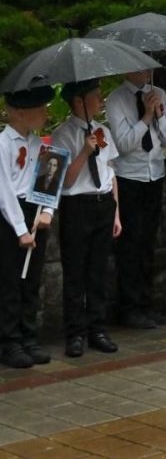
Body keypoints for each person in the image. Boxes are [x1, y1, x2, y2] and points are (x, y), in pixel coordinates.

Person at [52, 80, 122, 357]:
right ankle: (75, 333)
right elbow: (65, 181)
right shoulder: (62, 135)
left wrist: (116, 212)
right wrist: (83, 152)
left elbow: (110, 172)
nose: (101, 100)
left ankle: (98, 329)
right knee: (75, 272)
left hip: (103, 203)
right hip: (77, 206)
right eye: (95, 96)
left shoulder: (103, 130)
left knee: (99, 271)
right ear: (79, 101)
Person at [105, 69, 166, 329]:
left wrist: (159, 114)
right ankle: (129, 307)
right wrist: (145, 116)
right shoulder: (116, 99)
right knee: (130, 245)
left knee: (148, 243)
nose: (146, 72)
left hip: (154, 174)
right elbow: (123, 144)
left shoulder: (159, 94)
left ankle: (146, 304)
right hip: (129, 177)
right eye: (140, 67)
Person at [0, 86, 56, 368]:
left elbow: (48, 179)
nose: (46, 113)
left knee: (31, 279)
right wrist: (20, 229)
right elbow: (4, 190)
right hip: (11, 216)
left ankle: (28, 336)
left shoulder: (39, 144)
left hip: (35, 210)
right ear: (20, 112)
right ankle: (9, 341)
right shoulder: (3, 144)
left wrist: (47, 211)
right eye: (41, 108)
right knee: (10, 281)